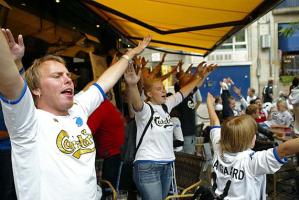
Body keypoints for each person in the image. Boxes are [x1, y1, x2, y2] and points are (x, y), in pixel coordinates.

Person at [0, 28, 151, 200]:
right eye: (57, 76)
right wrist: (11, 63)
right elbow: (10, 82)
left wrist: (130, 53)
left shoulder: (77, 109)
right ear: (35, 90)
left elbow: (105, 81)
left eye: (67, 75)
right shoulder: (28, 122)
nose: (68, 79)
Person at [124, 62, 217, 200]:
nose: (163, 91)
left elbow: (184, 91)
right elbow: (137, 103)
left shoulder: (166, 105)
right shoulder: (145, 109)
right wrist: (132, 85)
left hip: (168, 164)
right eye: (158, 89)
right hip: (148, 165)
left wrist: (200, 76)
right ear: (149, 93)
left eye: (163, 88)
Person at [206, 92, 299, 199]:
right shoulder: (251, 161)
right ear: (250, 140)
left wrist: (209, 104)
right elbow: (285, 148)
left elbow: (214, 121)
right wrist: (210, 104)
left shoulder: (218, 145)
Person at [0, 29, 25, 200]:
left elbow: (23, 92)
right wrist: (16, 132)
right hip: (4, 152)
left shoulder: (8, 89)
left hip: (16, 151)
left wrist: (18, 62)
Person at [87, 91, 125, 198]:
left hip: (110, 157)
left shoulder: (100, 107)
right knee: (113, 191)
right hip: (117, 154)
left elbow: (86, 132)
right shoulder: (109, 106)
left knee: (108, 192)